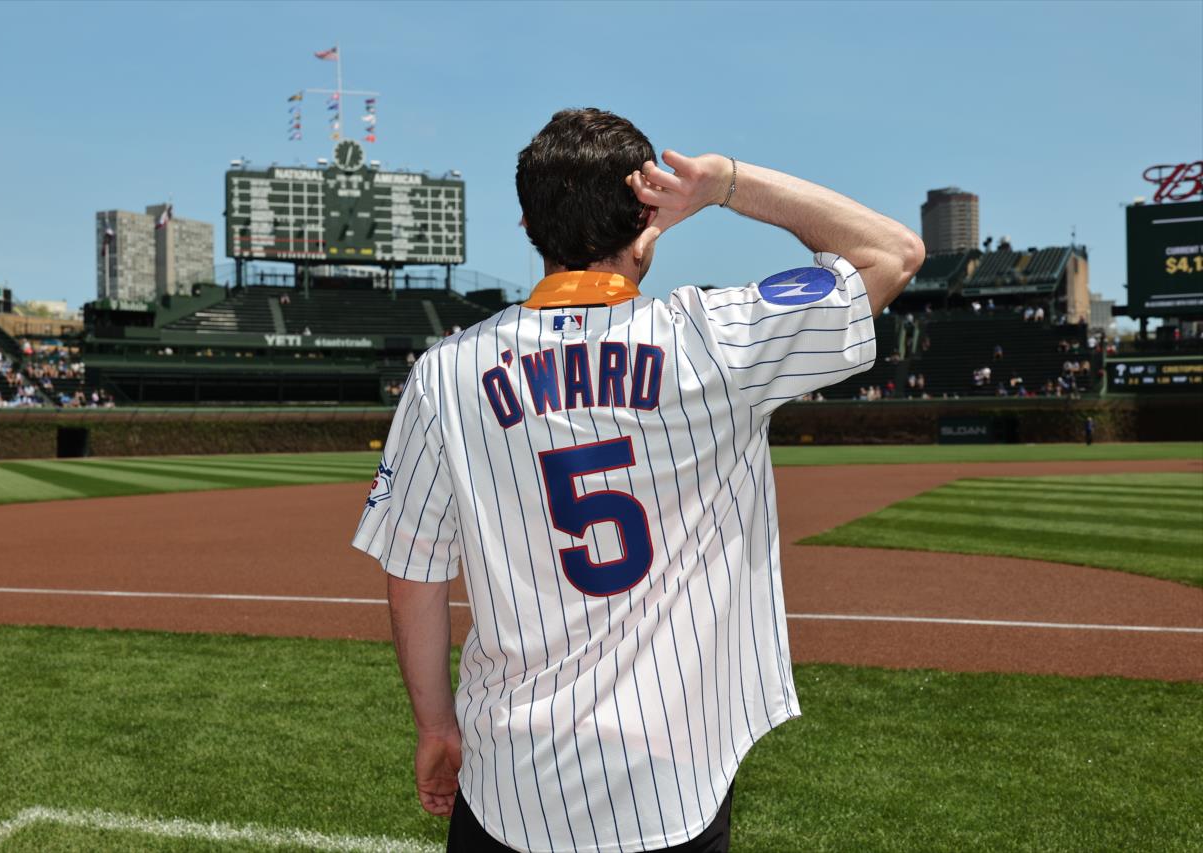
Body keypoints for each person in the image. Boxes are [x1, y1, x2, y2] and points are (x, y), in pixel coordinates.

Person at [352, 108, 922, 853]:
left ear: (528, 224)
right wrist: (724, 184)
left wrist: (434, 728)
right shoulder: (714, 338)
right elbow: (893, 252)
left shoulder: (446, 373)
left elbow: (415, 573)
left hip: (507, 785)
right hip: (670, 787)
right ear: (647, 215)